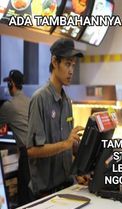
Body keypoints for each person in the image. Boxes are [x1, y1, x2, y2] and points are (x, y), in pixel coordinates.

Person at [26, 38, 84, 198]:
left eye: (73, 65)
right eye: (67, 64)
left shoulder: (67, 101)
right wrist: (65, 144)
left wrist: (78, 173)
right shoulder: (40, 99)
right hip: (45, 195)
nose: (71, 70)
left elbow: (68, 149)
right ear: (54, 62)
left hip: (66, 188)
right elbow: (31, 151)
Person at [0, 70, 31, 205]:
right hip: (38, 153)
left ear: (11, 84)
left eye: (8, 83)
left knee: (24, 196)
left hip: (26, 153)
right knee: (31, 194)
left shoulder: (9, 105)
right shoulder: (30, 101)